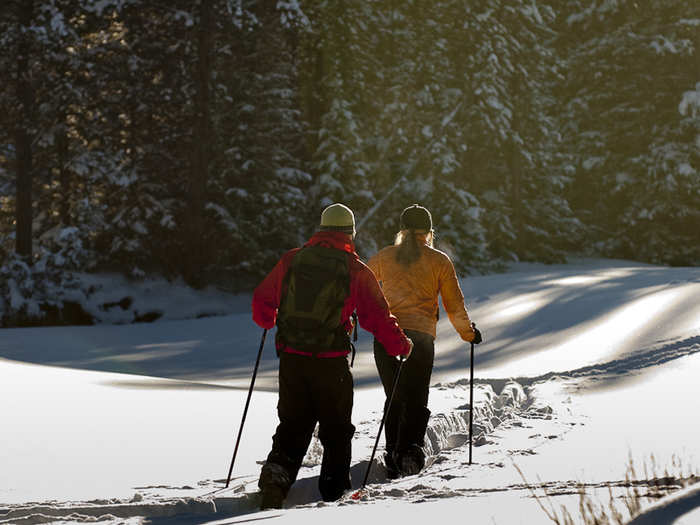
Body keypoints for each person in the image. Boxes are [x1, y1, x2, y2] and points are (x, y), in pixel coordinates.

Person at [252, 202, 413, 509]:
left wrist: (269, 320)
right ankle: (333, 493)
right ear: (351, 233)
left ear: (321, 229)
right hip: (331, 362)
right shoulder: (354, 268)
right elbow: (377, 317)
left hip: (292, 358)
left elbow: (262, 302)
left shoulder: (292, 260)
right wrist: (400, 346)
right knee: (337, 429)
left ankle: (276, 476)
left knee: (293, 423)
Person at [367, 204, 482, 478]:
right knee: (416, 395)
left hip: (387, 336)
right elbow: (454, 305)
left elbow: (364, 288)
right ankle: (411, 451)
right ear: (429, 232)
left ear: (402, 231)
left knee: (394, 395)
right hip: (420, 338)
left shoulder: (384, 257)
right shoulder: (439, 261)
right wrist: (468, 333)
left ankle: (392, 451)